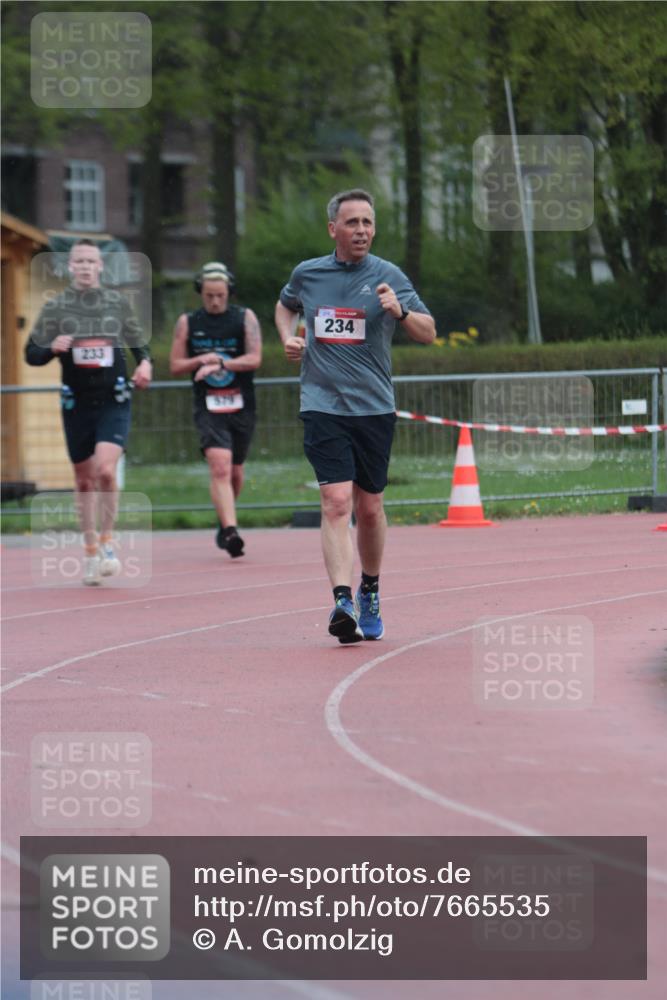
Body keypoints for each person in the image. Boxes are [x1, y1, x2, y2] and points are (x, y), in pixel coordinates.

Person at [275, 188, 436, 644]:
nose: (361, 230)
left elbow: (429, 332)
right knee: (337, 502)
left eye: (367, 222)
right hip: (323, 406)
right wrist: (288, 336)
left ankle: (370, 589)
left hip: (374, 408)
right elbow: (285, 304)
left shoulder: (388, 275)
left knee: (369, 508)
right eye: (352, 223)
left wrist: (401, 311)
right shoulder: (309, 274)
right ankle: (342, 599)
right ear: (333, 229)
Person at [25, 239, 152, 585]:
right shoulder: (57, 307)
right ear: (70, 267)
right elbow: (30, 354)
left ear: (100, 267)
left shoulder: (116, 302)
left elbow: (140, 343)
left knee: (106, 472)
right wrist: (51, 347)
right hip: (76, 402)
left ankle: (109, 544)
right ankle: (91, 551)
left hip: (113, 398)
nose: (84, 266)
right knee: (84, 480)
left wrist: (145, 365)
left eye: (90, 261)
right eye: (78, 261)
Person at [170, 261, 262, 558]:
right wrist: (201, 359)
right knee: (220, 466)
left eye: (220, 295)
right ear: (200, 292)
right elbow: (175, 365)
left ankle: (224, 522)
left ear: (229, 292)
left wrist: (222, 363)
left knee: (235, 471)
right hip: (208, 404)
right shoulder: (188, 322)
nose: (214, 301)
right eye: (209, 295)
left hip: (241, 402)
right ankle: (232, 531)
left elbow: (255, 358)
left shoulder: (244, 318)